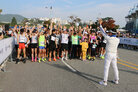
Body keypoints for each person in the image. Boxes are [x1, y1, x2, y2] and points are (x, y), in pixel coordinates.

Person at [99, 19, 120, 86]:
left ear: (111, 33)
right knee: (115, 67)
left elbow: (103, 32)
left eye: (110, 32)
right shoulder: (118, 40)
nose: (109, 33)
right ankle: (116, 80)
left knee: (106, 67)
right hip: (114, 54)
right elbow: (107, 33)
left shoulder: (108, 38)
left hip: (109, 54)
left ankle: (105, 81)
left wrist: (100, 25)